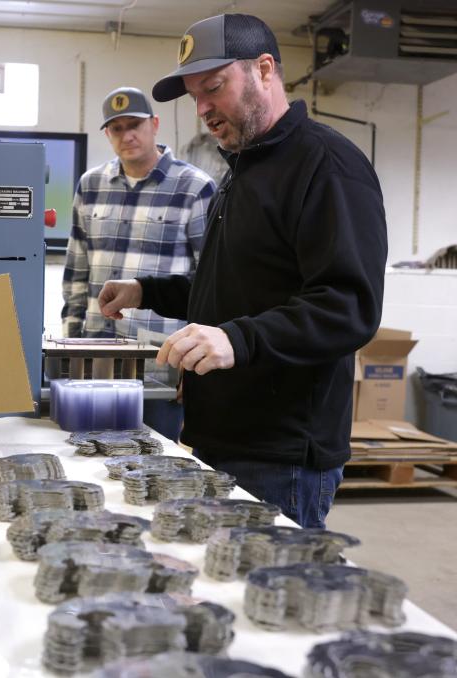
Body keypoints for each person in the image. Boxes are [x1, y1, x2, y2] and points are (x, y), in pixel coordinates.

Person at [97, 14, 388, 528]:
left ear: (265, 70)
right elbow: (227, 293)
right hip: (220, 436)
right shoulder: (241, 170)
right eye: (194, 96)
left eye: (214, 87)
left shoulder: (327, 167)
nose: (204, 109)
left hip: (280, 455)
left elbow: (348, 308)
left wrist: (239, 340)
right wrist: (147, 291)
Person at [62, 86, 215, 442]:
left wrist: (192, 365)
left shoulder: (195, 188)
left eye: (135, 124)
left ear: (155, 124)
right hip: (94, 359)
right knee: (89, 461)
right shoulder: (91, 185)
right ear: (107, 134)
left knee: (153, 469)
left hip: (160, 363)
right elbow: (76, 272)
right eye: (117, 128)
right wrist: (68, 347)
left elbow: (210, 282)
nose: (127, 135)